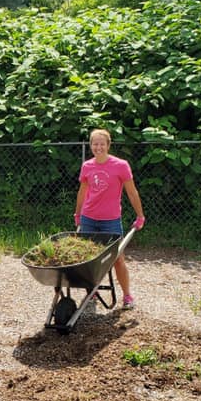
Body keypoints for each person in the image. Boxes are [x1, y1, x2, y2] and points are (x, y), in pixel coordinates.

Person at [74, 128, 145, 309]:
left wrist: (140, 215)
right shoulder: (87, 166)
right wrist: (78, 214)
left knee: (117, 258)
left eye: (101, 144)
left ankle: (127, 295)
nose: (98, 147)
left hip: (110, 220)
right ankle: (92, 289)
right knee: (89, 258)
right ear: (91, 146)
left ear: (108, 145)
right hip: (89, 218)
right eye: (94, 144)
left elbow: (131, 191)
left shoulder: (120, 165)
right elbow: (82, 192)